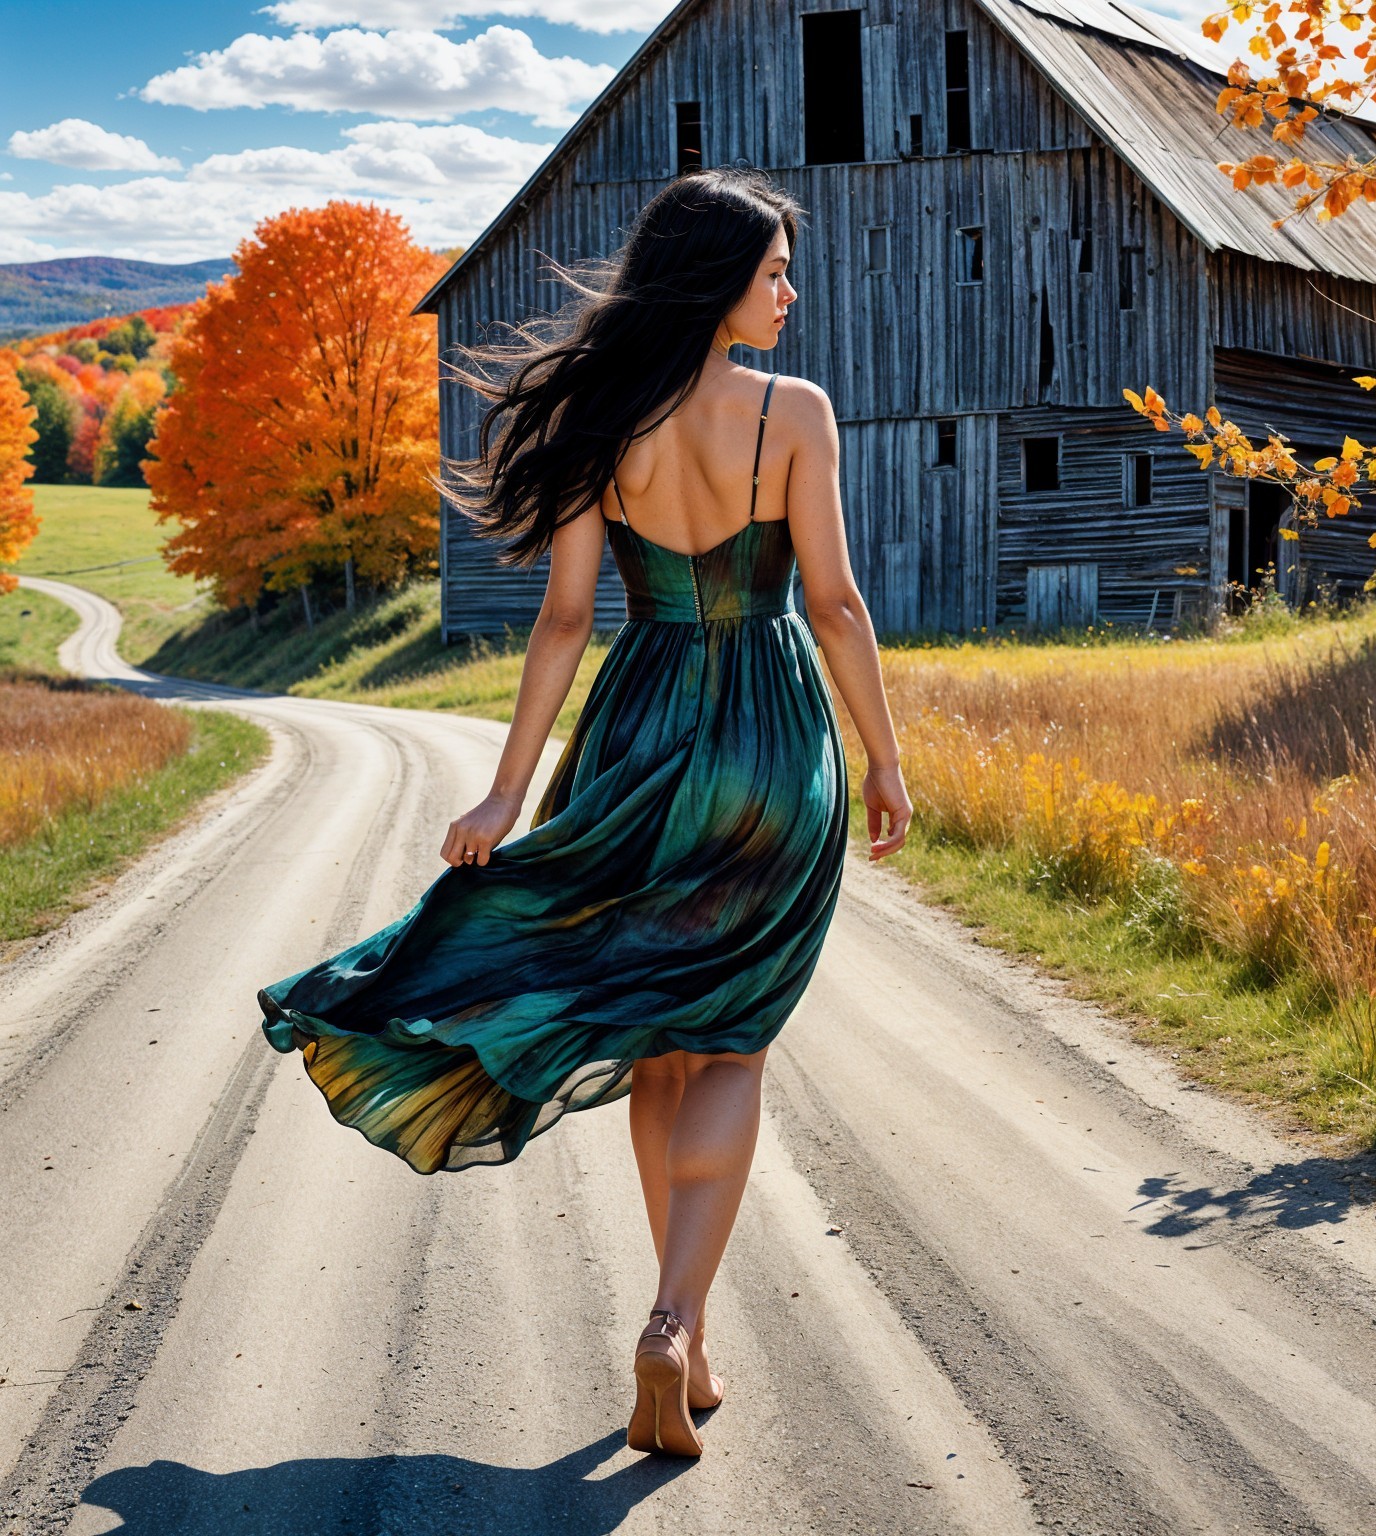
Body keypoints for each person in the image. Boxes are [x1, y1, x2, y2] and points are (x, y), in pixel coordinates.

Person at [256, 164, 912, 1459]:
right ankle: (678, 1318)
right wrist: (884, 757)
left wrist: (510, 788)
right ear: (718, 278)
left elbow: (564, 619)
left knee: (658, 1047)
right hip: (775, 741)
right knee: (731, 1047)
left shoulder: (603, 419)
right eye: (774, 269)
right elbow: (833, 604)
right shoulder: (797, 415)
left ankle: (688, 1329)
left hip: (645, 727)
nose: (791, 291)